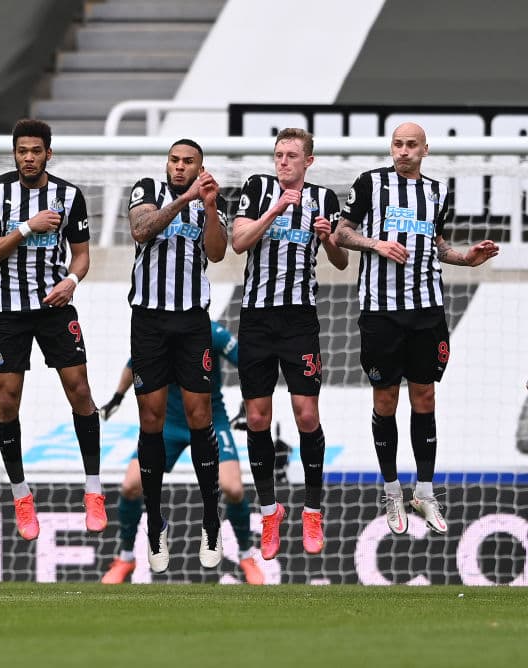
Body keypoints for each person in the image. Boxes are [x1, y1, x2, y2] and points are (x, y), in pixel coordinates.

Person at [332, 122, 499, 535]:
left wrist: (465, 257)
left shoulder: (437, 191)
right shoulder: (370, 184)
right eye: (397, 144)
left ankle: (424, 491)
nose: (403, 151)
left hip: (427, 310)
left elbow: (436, 244)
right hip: (381, 311)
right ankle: (391, 490)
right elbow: (342, 233)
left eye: (411, 145)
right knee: (386, 400)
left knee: (425, 396)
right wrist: (377, 244)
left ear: (425, 150)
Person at [0, 118, 105, 541]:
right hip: (6, 311)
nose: (28, 157)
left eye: (35, 151)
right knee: (6, 401)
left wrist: (72, 281)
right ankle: (21, 494)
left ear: (49, 153)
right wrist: (27, 227)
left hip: (54, 306)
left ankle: (93, 488)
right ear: (15, 153)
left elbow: (82, 256)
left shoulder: (70, 195)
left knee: (80, 389)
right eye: (21, 151)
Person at [231, 128, 349, 560]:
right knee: (258, 418)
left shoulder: (325, 199)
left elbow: (340, 260)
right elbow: (238, 242)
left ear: (308, 162)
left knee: (305, 413)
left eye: (291, 156)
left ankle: (312, 509)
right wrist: (277, 209)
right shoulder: (259, 189)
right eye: (278, 154)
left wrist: (328, 238)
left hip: (300, 318)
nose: (282, 162)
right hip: (257, 318)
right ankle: (269, 511)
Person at [126, 139, 227, 573]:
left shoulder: (210, 202)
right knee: (150, 417)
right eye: (175, 160)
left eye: (189, 162)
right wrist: (185, 199)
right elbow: (141, 230)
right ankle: (154, 526)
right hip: (148, 319)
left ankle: (210, 520)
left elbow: (219, 252)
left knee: (199, 414)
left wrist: (206, 207)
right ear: (167, 164)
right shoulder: (147, 188)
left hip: (191, 322)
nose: (180, 167)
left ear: (200, 166)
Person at [98, 320, 264, 585]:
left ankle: (245, 556)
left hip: (211, 418)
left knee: (233, 488)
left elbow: (246, 360)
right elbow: (135, 363)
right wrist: (118, 397)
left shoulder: (208, 330)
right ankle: (126, 557)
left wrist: (250, 399)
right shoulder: (157, 328)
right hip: (169, 423)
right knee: (130, 486)